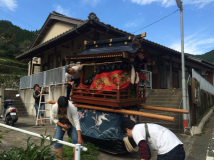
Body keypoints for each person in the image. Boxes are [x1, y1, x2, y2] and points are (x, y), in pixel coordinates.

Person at [120, 119, 185, 160]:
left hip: (169, 152)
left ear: (127, 130)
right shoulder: (141, 127)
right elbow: (147, 153)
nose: (129, 136)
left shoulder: (135, 131)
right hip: (179, 149)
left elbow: (144, 150)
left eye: (127, 134)